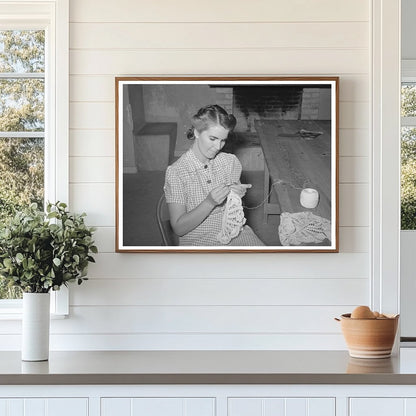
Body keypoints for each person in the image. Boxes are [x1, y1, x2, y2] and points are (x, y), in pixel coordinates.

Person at [163, 104, 264, 246]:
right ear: (197, 132)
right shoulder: (177, 172)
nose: (218, 147)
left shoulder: (229, 162)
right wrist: (209, 202)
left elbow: (234, 211)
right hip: (197, 239)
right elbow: (179, 228)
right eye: (212, 138)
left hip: (233, 231)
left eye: (223, 140)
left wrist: (236, 194)